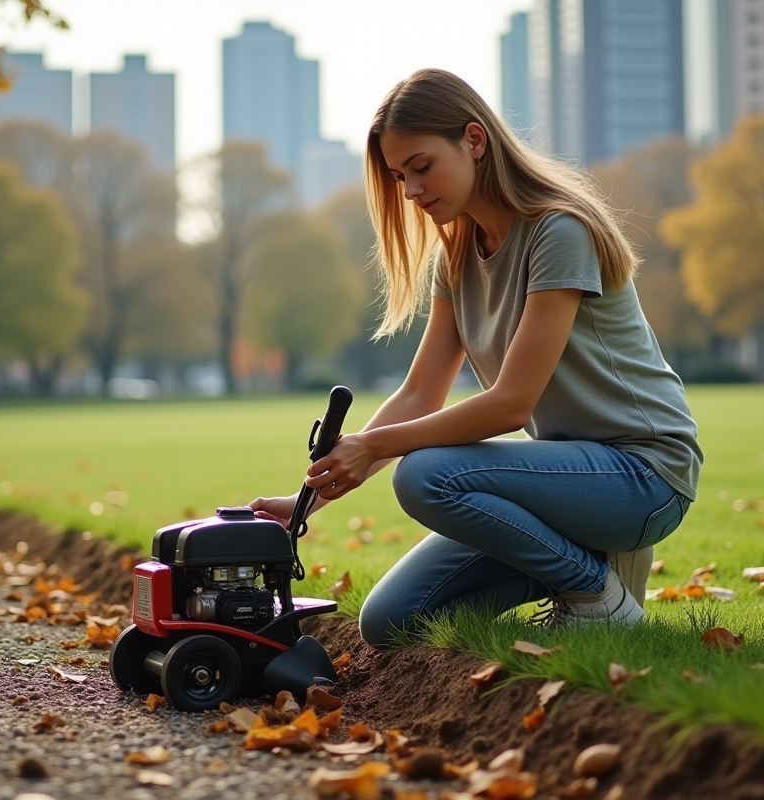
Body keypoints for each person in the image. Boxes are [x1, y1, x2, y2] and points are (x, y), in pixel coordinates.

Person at [251, 69, 702, 650]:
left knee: (424, 474)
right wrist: (305, 502)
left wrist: (378, 447)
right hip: (566, 480)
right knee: (392, 621)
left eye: (421, 166)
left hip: (644, 476)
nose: (410, 191)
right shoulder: (458, 256)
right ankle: (590, 565)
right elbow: (419, 393)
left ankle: (597, 595)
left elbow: (512, 404)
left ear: (474, 139)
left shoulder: (558, 232)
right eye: (398, 177)